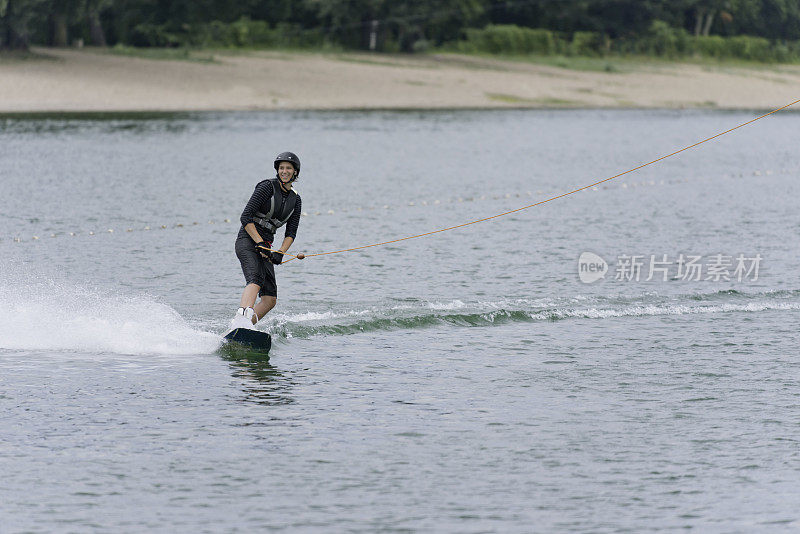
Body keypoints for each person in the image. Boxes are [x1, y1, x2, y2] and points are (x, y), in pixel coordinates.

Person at [229, 151, 304, 330]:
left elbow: (291, 232)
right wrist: (259, 242)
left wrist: (281, 252)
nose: (284, 171)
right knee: (255, 279)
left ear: (295, 172)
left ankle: (244, 328)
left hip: (267, 246)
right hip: (248, 240)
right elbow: (245, 217)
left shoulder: (296, 200)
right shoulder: (266, 188)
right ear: (277, 170)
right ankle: (241, 318)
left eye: (288, 168)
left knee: (270, 299)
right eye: (281, 168)